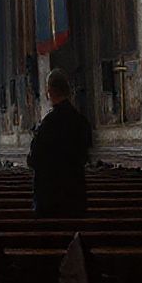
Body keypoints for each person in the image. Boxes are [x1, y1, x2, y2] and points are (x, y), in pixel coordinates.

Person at [27, 69, 92, 217]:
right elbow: (84, 156)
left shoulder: (47, 124)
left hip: (50, 197)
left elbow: (34, 159)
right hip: (75, 195)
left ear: (49, 91)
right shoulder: (81, 121)